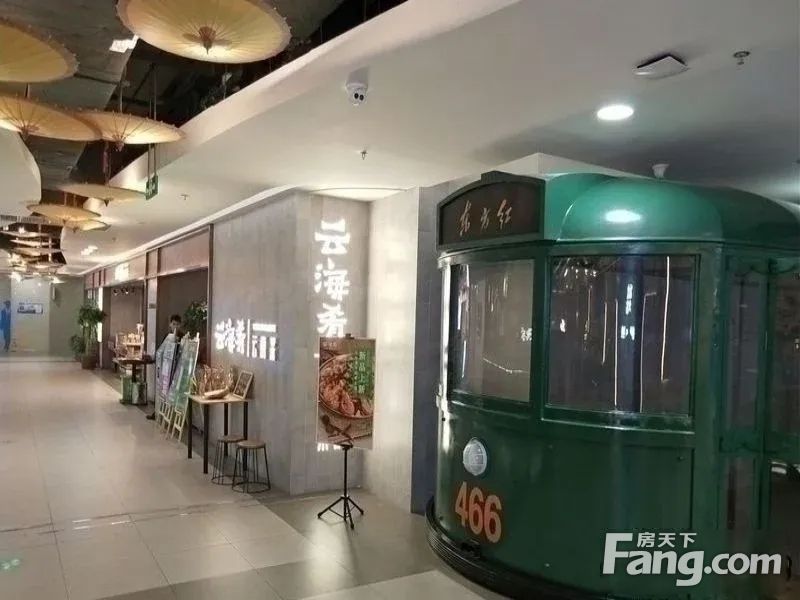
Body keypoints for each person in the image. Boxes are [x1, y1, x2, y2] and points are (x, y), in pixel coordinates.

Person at [146, 314, 184, 420]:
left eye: (177, 324)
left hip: (175, 370)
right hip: (165, 369)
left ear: (180, 325)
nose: (175, 326)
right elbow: (161, 350)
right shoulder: (167, 336)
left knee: (171, 394)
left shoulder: (183, 337)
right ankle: (158, 412)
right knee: (161, 391)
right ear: (170, 324)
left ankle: (169, 415)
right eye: (173, 324)